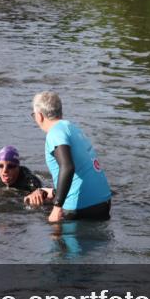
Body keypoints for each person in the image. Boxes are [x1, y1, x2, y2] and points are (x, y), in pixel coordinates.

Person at [24, 91, 111, 222]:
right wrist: (53, 192)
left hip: (81, 208)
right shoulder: (73, 129)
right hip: (104, 202)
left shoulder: (54, 133)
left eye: (33, 115)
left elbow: (68, 167)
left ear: (40, 116)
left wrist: (57, 207)